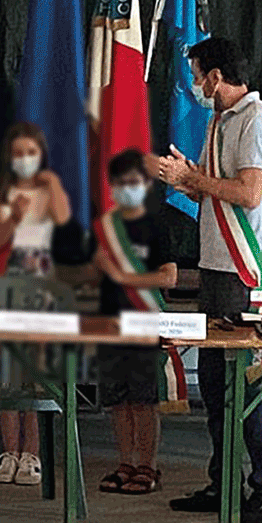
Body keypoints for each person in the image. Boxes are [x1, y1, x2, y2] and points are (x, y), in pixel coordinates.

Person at [152, 37, 262, 523]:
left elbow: (249, 194)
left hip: (243, 272)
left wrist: (196, 180)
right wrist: (184, 176)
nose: (194, 85)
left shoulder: (258, 120)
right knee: (214, 382)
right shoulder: (219, 121)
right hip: (214, 266)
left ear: (215, 76)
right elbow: (218, 189)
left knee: (247, 385)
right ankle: (225, 480)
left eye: (196, 74)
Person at [0, 122, 70, 486]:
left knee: (35, 374)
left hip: (42, 289)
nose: (25, 159)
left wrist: (53, 186)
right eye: (19, 153)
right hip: (5, 287)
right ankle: (8, 451)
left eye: (31, 152)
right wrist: (13, 216)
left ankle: (32, 453)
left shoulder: (49, 188)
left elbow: (63, 220)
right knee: (6, 370)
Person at [92, 149, 177, 495]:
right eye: (120, 183)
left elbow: (169, 277)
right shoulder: (105, 228)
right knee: (118, 400)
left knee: (144, 401)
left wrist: (123, 276)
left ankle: (148, 466)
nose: (127, 188)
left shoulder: (157, 224)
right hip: (111, 323)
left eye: (134, 182)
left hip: (144, 322)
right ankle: (124, 462)